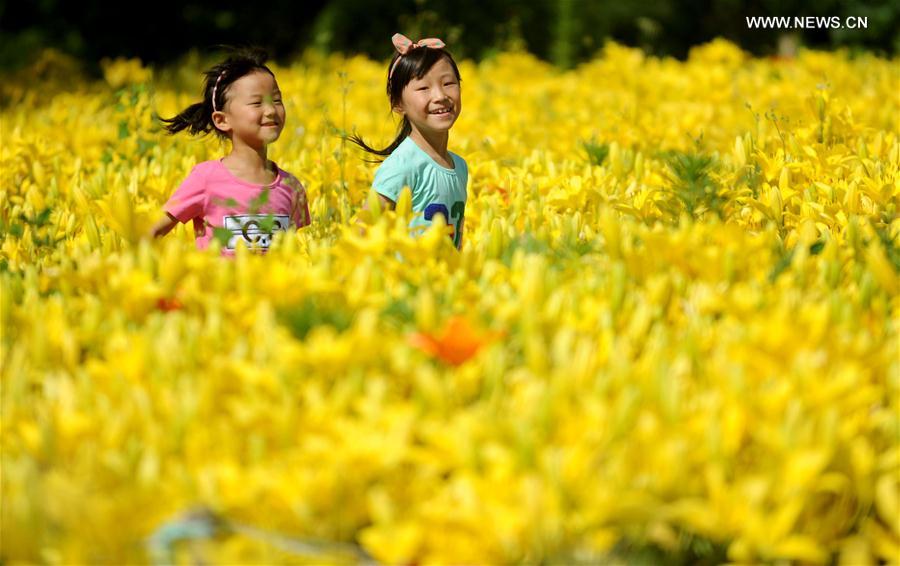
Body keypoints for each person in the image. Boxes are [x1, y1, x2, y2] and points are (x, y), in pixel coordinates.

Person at [148, 47, 310, 254]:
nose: (271, 110)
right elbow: (153, 232)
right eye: (256, 103)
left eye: (276, 100)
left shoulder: (292, 186)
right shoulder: (205, 179)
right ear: (222, 120)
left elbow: (300, 252)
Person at [350, 33, 467, 249]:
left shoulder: (460, 166)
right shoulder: (402, 166)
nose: (440, 95)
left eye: (449, 83)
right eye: (424, 88)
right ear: (397, 104)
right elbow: (361, 233)